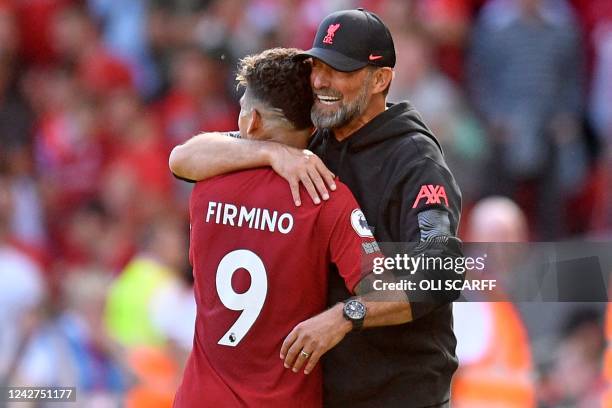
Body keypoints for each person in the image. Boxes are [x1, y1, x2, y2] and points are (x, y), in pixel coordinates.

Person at [170, 9, 463, 407]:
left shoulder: (414, 161)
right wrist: (272, 152)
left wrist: (345, 315)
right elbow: (184, 157)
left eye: (340, 70)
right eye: (317, 66)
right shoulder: (314, 137)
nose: (321, 81)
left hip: (400, 394)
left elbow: (440, 273)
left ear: (380, 80)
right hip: (332, 392)